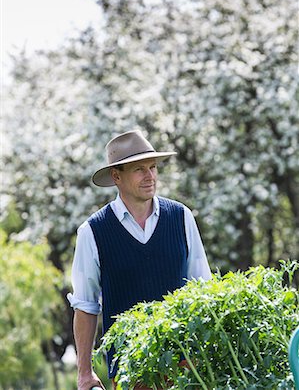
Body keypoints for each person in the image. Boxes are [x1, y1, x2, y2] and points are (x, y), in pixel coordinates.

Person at [68, 130, 212, 390]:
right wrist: (85, 373)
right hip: (129, 370)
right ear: (116, 176)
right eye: (139, 169)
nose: (150, 176)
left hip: (186, 368)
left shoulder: (181, 217)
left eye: (153, 167)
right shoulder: (93, 232)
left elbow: (203, 291)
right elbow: (85, 307)